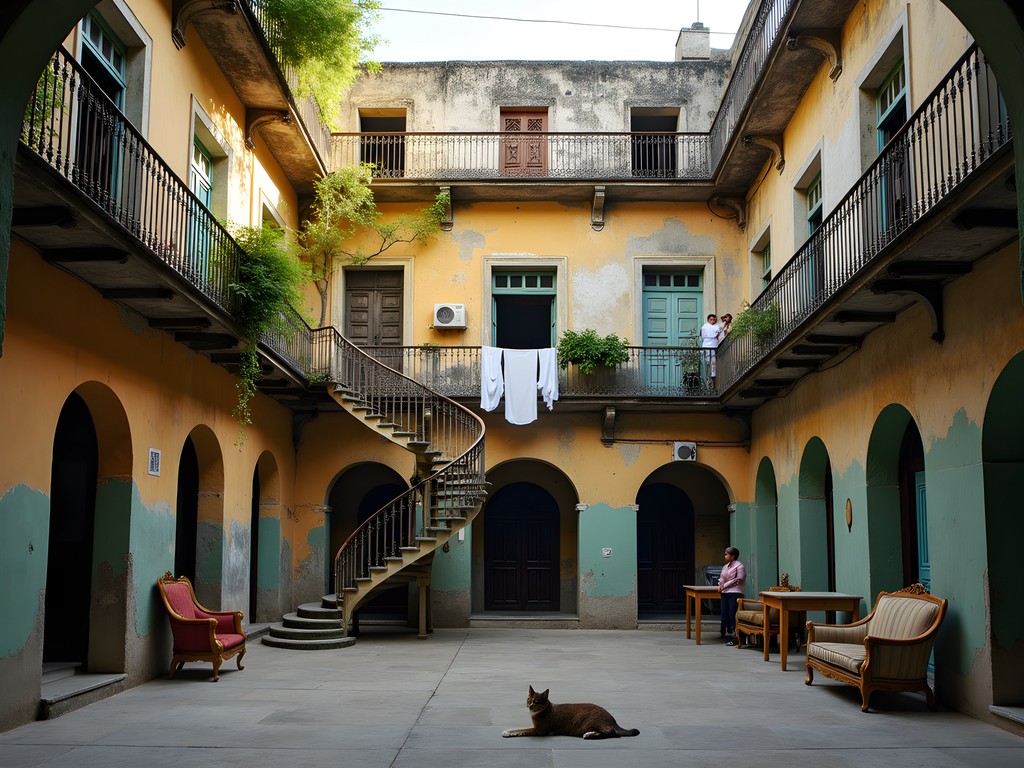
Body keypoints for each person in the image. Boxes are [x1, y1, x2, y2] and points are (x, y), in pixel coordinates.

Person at [718, 546, 746, 645]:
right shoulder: (726, 566)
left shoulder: (739, 566)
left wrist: (724, 585)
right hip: (725, 592)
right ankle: (725, 632)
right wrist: (720, 585)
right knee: (724, 613)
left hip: (735, 592)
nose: (725, 556)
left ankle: (735, 637)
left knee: (732, 613)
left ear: (733, 556)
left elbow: (738, 579)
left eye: (727, 554)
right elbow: (722, 578)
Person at [699, 313, 721, 379]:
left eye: (714, 319)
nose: (712, 321)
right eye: (711, 319)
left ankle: (713, 373)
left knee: (713, 360)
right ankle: (707, 374)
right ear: (708, 320)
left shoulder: (717, 326)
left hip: (714, 343)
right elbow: (702, 336)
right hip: (707, 343)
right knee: (707, 360)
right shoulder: (704, 327)